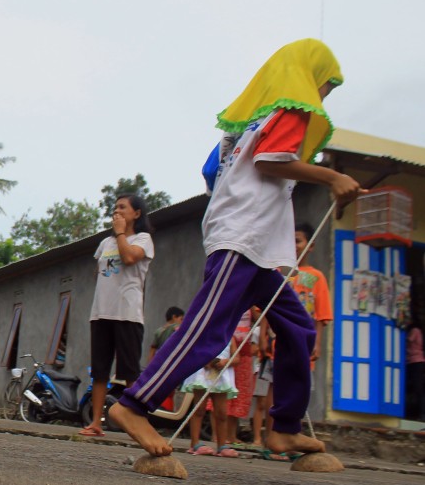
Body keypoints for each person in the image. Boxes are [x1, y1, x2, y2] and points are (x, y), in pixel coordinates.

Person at [109, 39, 365, 460]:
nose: (324, 98)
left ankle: (283, 429)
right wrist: (331, 178)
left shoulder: (247, 125)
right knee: (207, 331)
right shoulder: (291, 112)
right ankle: (134, 405)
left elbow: (211, 170)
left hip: (258, 248)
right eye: (326, 87)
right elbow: (270, 160)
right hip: (241, 241)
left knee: (299, 329)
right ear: (306, 77)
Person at [79, 194, 154, 438]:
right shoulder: (105, 244)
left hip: (128, 314)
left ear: (137, 213)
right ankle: (96, 423)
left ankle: (136, 423)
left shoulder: (143, 239)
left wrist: (121, 234)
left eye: (123, 207)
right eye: (115, 208)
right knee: (100, 371)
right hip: (101, 313)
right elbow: (98, 273)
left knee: (130, 371)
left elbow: (130, 258)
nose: (117, 212)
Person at [288, 222, 333, 369]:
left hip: (304, 343)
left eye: (297, 241)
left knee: (299, 387)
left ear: (311, 246)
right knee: (271, 388)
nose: (293, 245)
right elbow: (266, 308)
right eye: (289, 241)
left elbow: (320, 315)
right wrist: (263, 336)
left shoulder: (317, 277)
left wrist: (317, 343)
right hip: (277, 343)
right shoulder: (279, 272)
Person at [181, 342, 237, 457]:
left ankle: (221, 445)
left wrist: (225, 362)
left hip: (221, 376)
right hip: (203, 373)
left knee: (222, 413)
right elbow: (194, 348)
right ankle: (194, 443)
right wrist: (204, 360)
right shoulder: (206, 330)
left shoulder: (230, 336)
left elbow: (236, 358)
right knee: (199, 409)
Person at [224, 307, 258, 447]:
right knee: (224, 394)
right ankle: (220, 435)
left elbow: (259, 316)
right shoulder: (231, 298)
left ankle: (231, 435)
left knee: (238, 395)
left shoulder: (251, 304)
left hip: (244, 352)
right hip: (228, 347)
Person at [406, 321, 425, 421]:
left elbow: (408, 339)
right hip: (416, 362)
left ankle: (422, 414)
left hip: (415, 362)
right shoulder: (420, 331)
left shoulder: (415, 330)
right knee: (416, 388)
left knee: (417, 389)